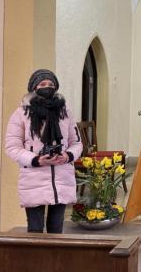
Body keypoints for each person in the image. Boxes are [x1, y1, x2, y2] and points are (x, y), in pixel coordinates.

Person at [5, 69, 83, 233]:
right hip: (34, 178)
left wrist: (67, 156)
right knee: (35, 229)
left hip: (61, 178)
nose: (47, 87)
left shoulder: (65, 112)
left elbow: (76, 143)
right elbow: (12, 146)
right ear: (33, 88)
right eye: (42, 84)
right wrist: (36, 159)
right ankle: (34, 259)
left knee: (56, 228)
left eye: (51, 84)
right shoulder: (21, 114)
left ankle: (55, 259)